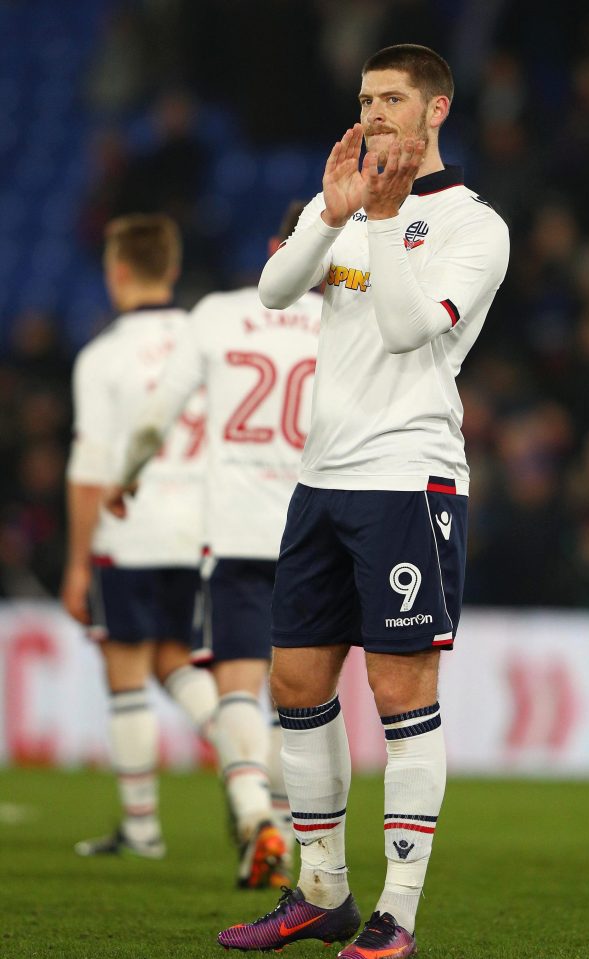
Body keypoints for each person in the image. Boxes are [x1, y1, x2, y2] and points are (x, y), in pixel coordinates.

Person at [216, 44, 510, 958]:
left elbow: (406, 326)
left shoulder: (474, 226)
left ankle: (398, 914)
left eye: (393, 98)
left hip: (407, 480)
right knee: (297, 682)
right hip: (323, 478)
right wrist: (331, 215)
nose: (376, 112)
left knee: (398, 689)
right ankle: (322, 890)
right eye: (366, 98)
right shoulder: (342, 201)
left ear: (437, 112)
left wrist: (379, 221)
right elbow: (271, 291)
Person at [104, 202, 322, 887]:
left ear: (273, 246)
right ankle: (284, 832)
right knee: (303, 701)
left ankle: (254, 813)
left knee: (236, 688)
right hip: (321, 531)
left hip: (239, 532)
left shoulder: (217, 314)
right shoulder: (349, 324)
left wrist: (127, 477)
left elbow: (154, 418)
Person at [61, 214, 220, 859]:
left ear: (117, 271)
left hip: (130, 531)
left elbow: (88, 470)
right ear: (174, 268)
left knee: (127, 670)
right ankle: (255, 763)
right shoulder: (205, 337)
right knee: (178, 658)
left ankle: (143, 827)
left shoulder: (102, 356)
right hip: (205, 529)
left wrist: (76, 565)